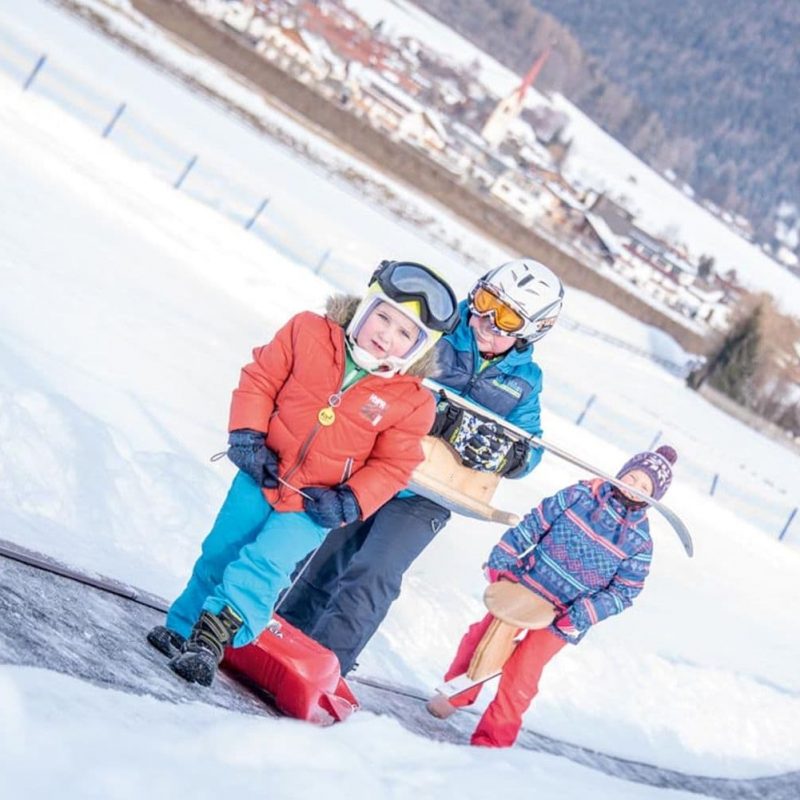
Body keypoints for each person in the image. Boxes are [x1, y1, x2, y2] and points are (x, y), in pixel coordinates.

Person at [146, 260, 459, 687]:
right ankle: (182, 628)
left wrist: (351, 501)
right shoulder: (309, 331)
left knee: (265, 565)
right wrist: (247, 436)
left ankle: (209, 643)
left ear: (419, 348)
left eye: (405, 333)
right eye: (383, 316)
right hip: (264, 472)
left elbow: (394, 465)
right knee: (221, 549)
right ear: (365, 308)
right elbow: (260, 379)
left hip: (314, 505)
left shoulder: (411, 402)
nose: (386, 335)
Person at [279, 258, 565, 675]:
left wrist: (508, 454)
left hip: (429, 494)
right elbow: (386, 366)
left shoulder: (523, 383)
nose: (484, 318)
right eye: (485, 300)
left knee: (375, 572)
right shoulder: (439, 331)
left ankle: (326, 663)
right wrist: (435, 410)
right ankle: (283, 629)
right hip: (376, 465)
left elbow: (531, 446)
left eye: (504, 316)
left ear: (530, 331)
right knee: (329, 552)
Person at [430, 444, 678, 748]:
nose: (635, 487)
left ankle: (493, 739)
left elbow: (624, 592)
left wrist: (582, 615)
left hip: (564, 615)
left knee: (523, 672)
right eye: (634, 477)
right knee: (483, 639)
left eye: (645, 487)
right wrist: (503, 558)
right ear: (622, 472)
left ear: (654, 498)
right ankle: (455, 694)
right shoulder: (580, 495)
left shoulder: (640, 542)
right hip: (527, 586)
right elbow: (535, 523)